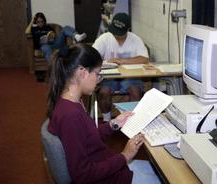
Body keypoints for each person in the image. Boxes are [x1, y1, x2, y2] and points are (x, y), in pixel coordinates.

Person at [47, 43, 161, 184]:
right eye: (97, 74)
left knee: (160, 172)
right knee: (166, 176)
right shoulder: (70, 115)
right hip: (107, 178)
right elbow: (82, 175)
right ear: (82, 72)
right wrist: (124, 156)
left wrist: (113, 124)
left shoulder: (70, 102)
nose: (99, 80)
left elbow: (87, 139)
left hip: (108, 168)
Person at [93, 12, 149, 122]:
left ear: (128, 29)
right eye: (115, 33)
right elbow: (91, 55)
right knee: (104, 91)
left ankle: (132, 121)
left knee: (135, 91)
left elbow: (145, 59)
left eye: (120, 33)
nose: (117, 36)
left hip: (131, 78)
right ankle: (107, 119)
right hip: (109, 78)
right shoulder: (104, 38)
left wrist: (121, 61)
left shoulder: (135, 39)